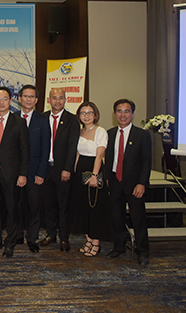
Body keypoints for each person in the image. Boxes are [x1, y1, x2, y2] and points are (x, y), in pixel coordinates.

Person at [0, 87, 30, 258]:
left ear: (10, 100)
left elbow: (25, 151)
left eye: (4, 99)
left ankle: (10, 243)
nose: (1, 102)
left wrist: (23, 174)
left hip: (12, 174)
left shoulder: (19, 122)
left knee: (12, 210)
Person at [104, 99, 152, 265]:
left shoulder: (142, 135)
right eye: (119, 111)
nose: (122, 115)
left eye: (126, 111)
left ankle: (143, 251)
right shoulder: (110, 134)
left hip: (134, 184)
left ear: (132, 114)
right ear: (114, 114)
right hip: (115, 182)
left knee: (138, 218)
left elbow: (146, 161)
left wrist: (142, 183)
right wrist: (107, 179)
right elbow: (108, 159)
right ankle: (119, 247)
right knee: (116, 217)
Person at [39, 88, 80, 252]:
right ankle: (50, 234)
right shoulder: (42, 118)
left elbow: (72, 147)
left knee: (63, 205)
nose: (57, 101)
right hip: (45, 169)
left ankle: (64, 237)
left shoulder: (72, 120)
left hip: (62, 169)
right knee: (48, 205)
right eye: (54, 98)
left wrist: (67, 168)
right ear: (49, 100)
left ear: (65, 99)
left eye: (60, 98)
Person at [69, 102, 111, 257]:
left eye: (89, 113)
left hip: (94, 169)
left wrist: (94, 175)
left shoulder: (100, 131)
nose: (86, 116)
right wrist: (73, 172)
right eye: (83, 113)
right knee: (83, 207)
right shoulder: (79, 131)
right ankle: (88, 240)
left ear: (95, 115)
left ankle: (96, 242)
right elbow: (78, 153)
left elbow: (99, 156)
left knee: (94, 207)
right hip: (80, 171)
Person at [15, 84, 50, 254]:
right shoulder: (13, 118)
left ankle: (32, 238)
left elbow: (45, 149)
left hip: (35, 171)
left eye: (31, 97)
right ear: (19, 98)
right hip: (16, 172)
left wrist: (41, 173)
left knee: (34, 207)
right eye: (25, 96)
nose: (28, 99)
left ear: (36, 100)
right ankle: (17, 235)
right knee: (16, 205)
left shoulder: (42, 120)